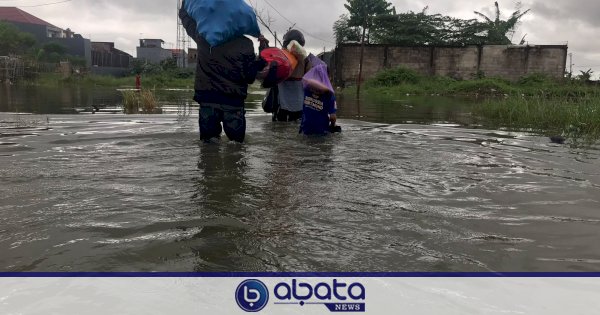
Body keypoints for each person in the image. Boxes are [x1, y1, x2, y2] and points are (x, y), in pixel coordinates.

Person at [179, 5, 267, 143]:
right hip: (233, 102)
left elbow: (187, 21)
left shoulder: (203, 36)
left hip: (207, 99)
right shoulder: (246, 44)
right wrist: (263, 52)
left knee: (208, 147)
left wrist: (184, 6)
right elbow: (250, 77)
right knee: (236, 148)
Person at [274, 29, 310, 122]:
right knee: (296, 124)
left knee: (280, 125)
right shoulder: (306, 59)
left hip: (282, 99)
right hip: (299, 100)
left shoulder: (280, 56)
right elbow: (309, 79)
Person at [300, 64, 338, 135]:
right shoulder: (329, 94)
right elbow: (333, 117)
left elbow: (307, 80)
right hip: (321, 130)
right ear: (327, 77)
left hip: (305, 128)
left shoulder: (307, 88)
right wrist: (333, 125)